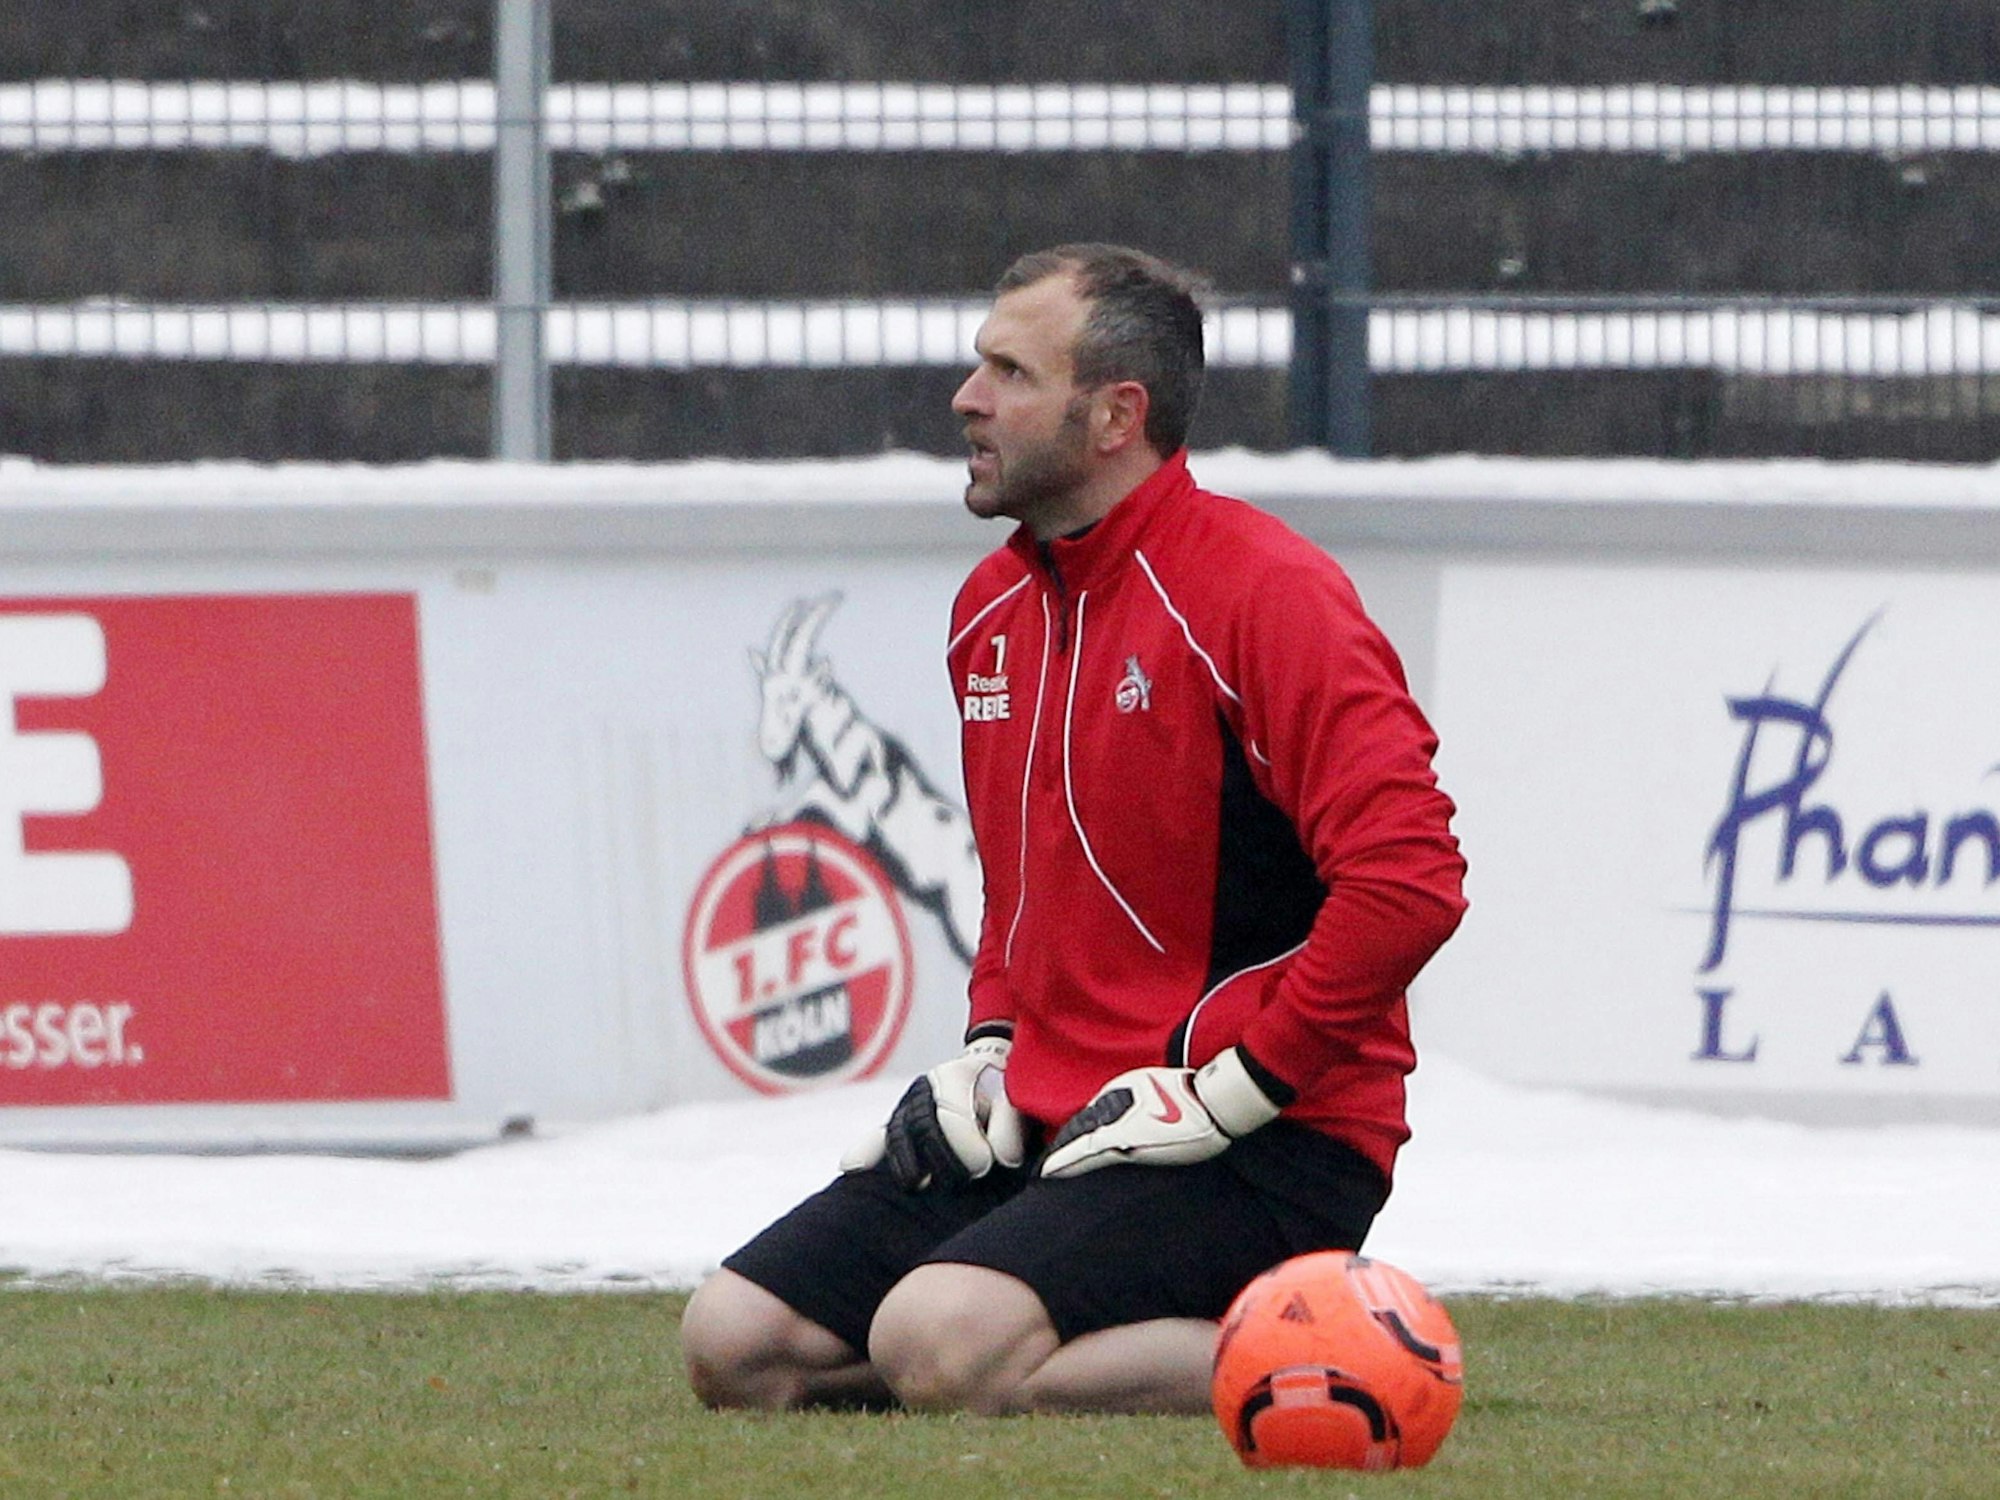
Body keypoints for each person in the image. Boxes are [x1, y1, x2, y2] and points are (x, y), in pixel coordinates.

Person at [680, 243, 1467, 1416]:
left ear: (1114, 414)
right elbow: (1020, 885)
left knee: (935, 1339)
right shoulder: (987, 609)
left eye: (1007, 371)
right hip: (1066, 1119)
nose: (966, 398)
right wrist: (993, 1038)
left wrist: (1240, 1083)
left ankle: (1350, 1352)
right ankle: (1017, 1358)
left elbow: (1410, 881)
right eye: (976, 364)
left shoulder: (1263, 593)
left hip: (1270, 1134)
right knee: (732, 1344)